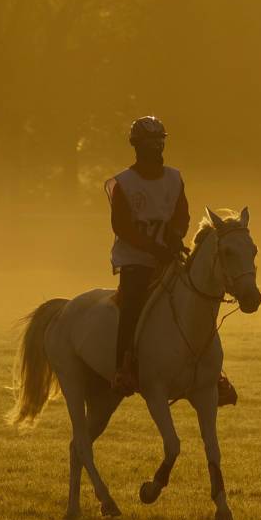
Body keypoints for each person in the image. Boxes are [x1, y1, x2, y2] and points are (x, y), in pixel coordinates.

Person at [106, 115, 190, 395]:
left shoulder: (174, 178)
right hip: (135, 259)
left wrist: (175, 235)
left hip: (168, 254)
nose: (156, 147)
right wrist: (154, 248)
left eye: (158, 141)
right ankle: (122, 368)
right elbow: (122, 226)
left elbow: (181, 214)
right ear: (137, 145)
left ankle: (211, 371)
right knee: (132, 304)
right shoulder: (124, 183)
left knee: (198, 296)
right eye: (149, 142)